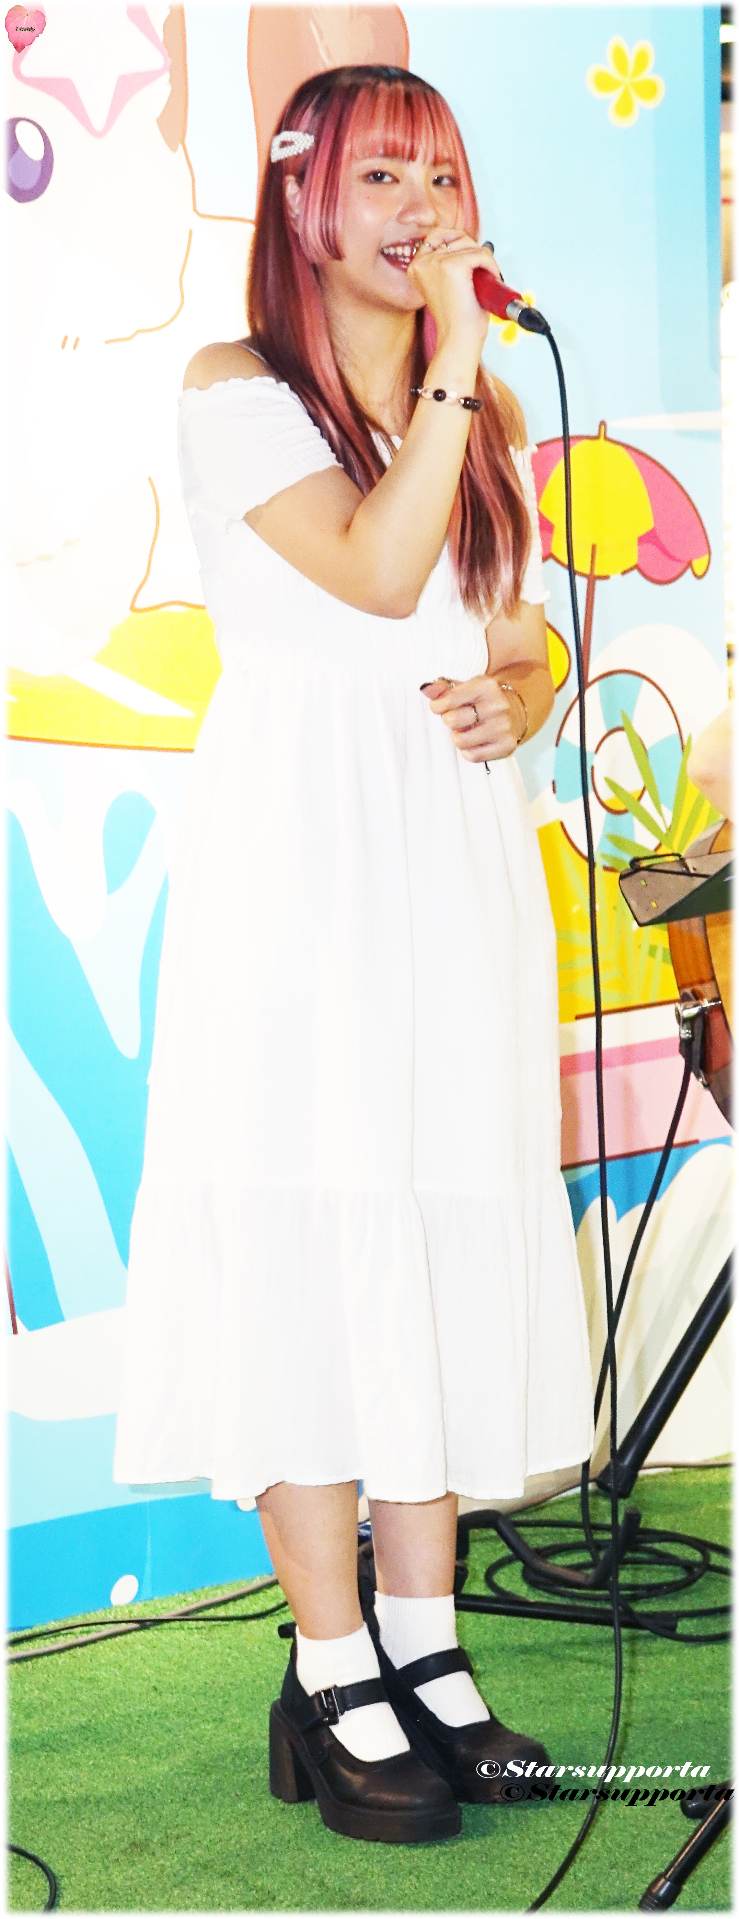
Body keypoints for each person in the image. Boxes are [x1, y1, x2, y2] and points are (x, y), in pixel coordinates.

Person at [113, 64, 595, 1843]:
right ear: (304, 200)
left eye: (443, 174)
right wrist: (460, 355)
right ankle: (330, 1676)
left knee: (436, 1211)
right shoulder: (235, 392)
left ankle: (428, 1651)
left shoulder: (481, 410)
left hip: (449, 856)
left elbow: (499, 619)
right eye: (384, 176)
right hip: (304, 858)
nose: (422, 209)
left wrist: (525, 689)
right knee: (318, 1230)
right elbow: (378, 577)